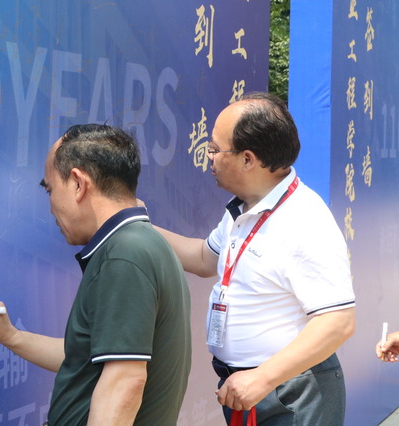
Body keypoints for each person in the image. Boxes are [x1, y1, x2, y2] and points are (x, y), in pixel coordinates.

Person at [0, 124, 191, 426]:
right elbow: (85, 358)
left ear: (78, 184)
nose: (50, 207)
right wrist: (12, 336)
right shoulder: (143, 244)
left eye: (50, 189)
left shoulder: (124, 255)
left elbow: (124, 383)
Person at [149, 92, 356, 425]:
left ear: (248, 159)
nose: (209, 158)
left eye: (215, 149)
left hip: (292, 393)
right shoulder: (244, 209)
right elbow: (203, 258)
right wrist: (137, 225)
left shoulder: (304, 219)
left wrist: (263, 378)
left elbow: (337, 322)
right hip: (246, 388)